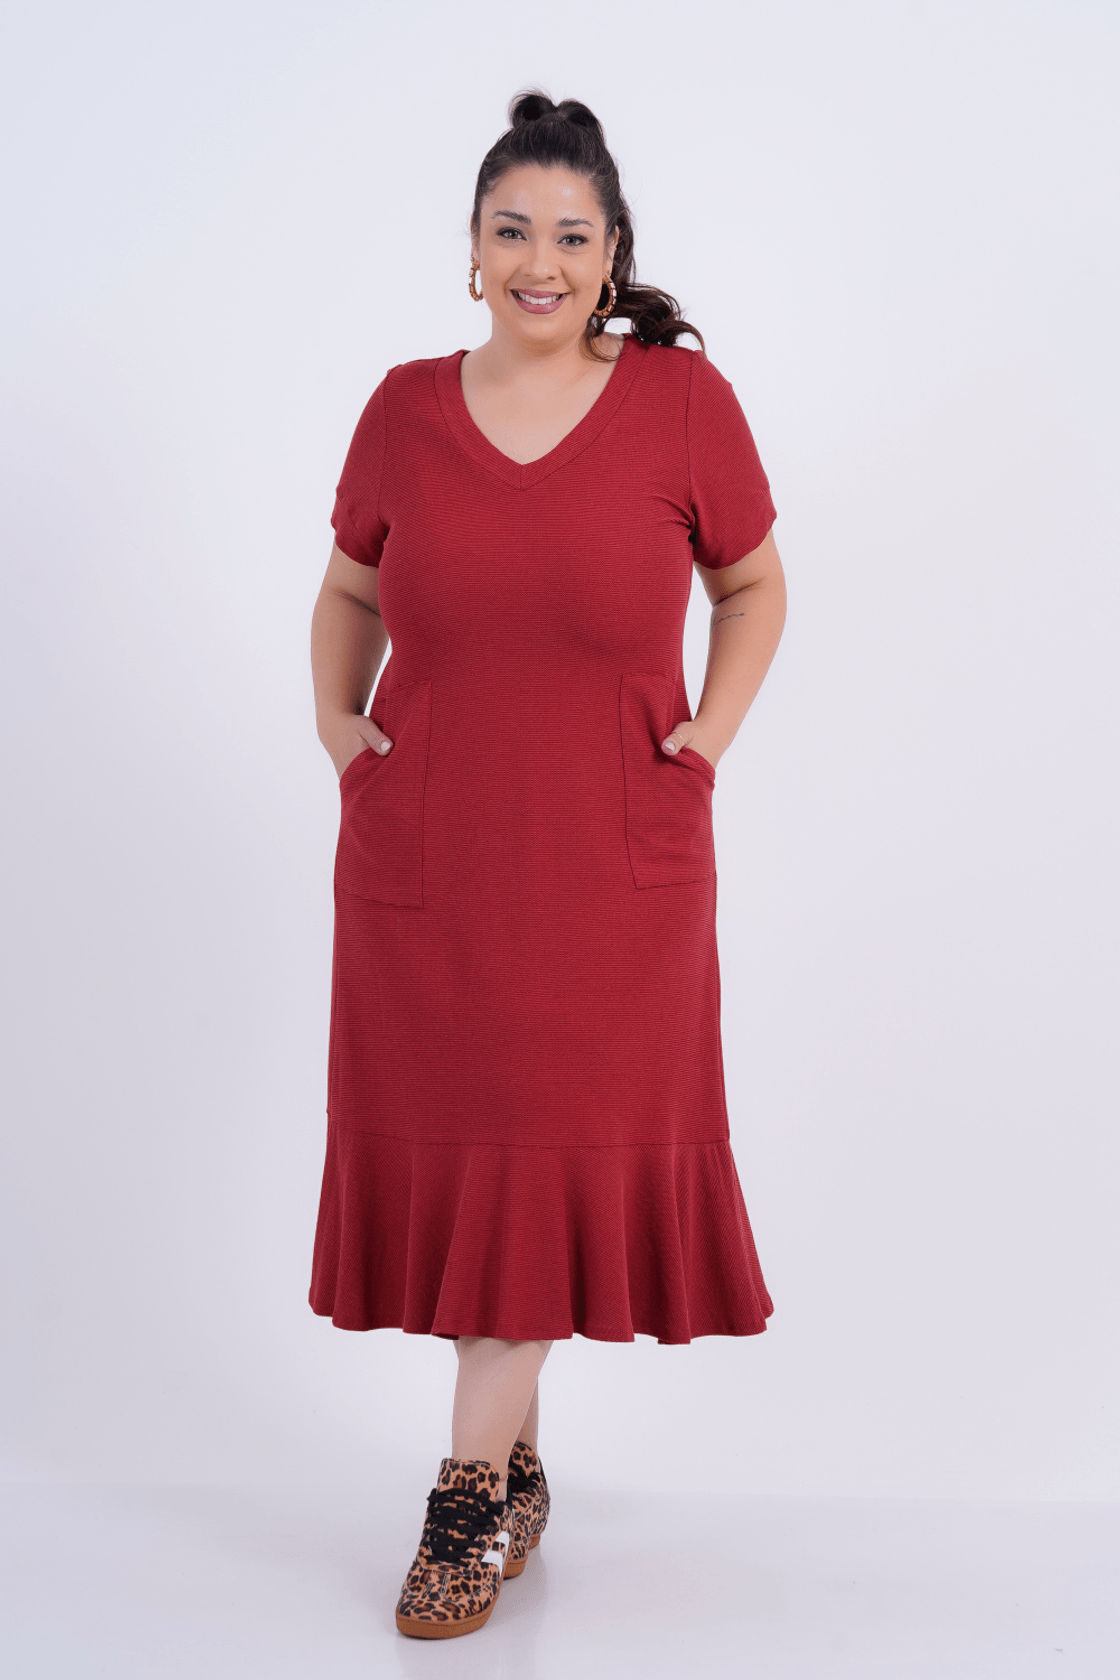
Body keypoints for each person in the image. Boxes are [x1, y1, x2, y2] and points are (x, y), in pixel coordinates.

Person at [307, 89, 787, 1640]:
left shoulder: (682, 406)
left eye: (572, 236)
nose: (541, 262)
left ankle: (465, 1497)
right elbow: (348, 592)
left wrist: (705, 741)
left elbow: (755, 585)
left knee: (542, 1151)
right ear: (471, 249)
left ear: (612, 251)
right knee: (490, 1163)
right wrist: (340, 730)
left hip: (611, 871)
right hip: (432, 866)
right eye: (512, 230)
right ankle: (509, 1468)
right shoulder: (402, 411)